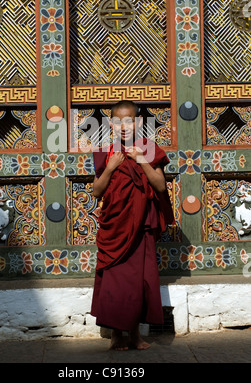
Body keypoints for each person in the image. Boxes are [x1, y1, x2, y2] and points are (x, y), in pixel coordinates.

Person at [90, 100, 175, 351]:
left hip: (140, 227)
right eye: (118, 122)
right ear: (111, 124)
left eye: (129, 121)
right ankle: (117, 335)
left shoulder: (148, 149)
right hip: (116, 226)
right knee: (116, 281)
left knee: (138, 282)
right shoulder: (107, 153)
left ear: (138, 122)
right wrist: (111, 168)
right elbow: (96, 191)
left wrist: (142, 161)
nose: (123, 126)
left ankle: (135, 335)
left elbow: (160, 186)